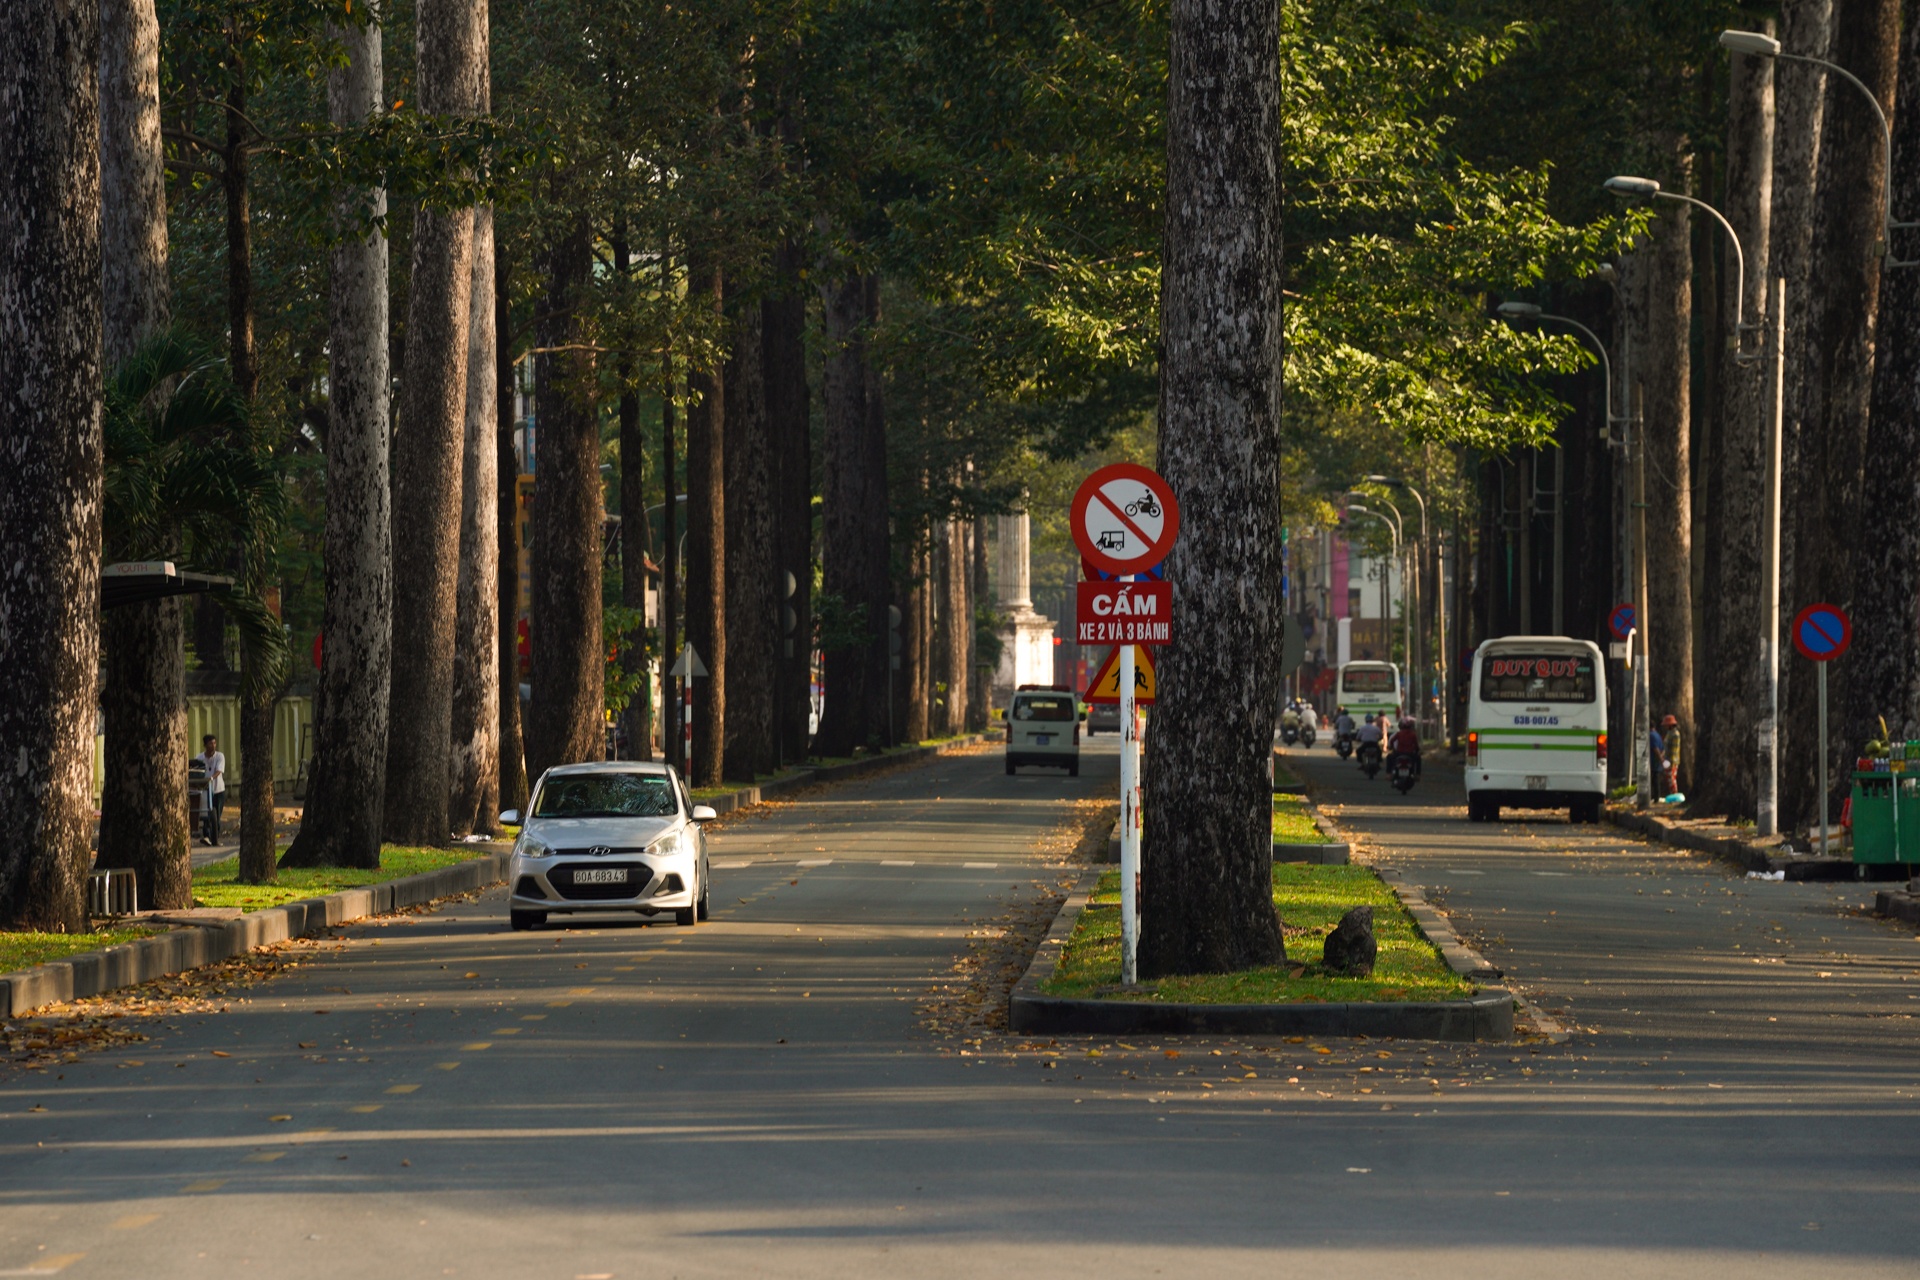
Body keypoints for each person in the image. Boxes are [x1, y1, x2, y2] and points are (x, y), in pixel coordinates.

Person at [195, 734, 226, 846]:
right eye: (210, 743)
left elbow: (219, 770)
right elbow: (196, 770)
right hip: (204, 790)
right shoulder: (199, 758)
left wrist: (211, 778)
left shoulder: (219, 756)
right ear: (205, 745)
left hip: (218, 790)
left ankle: (215, 838)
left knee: (216, 815)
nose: (213, 746)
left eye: (214, 743)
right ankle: (207, 836)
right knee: (205, 814)